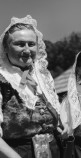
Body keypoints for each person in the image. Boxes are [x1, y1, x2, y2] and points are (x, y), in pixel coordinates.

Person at [0, 15, 62, 158]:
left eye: (31, 44)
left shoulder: (41, 77)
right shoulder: (2, 79)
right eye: (20, 44)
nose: (27, 50)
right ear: (5, 47)